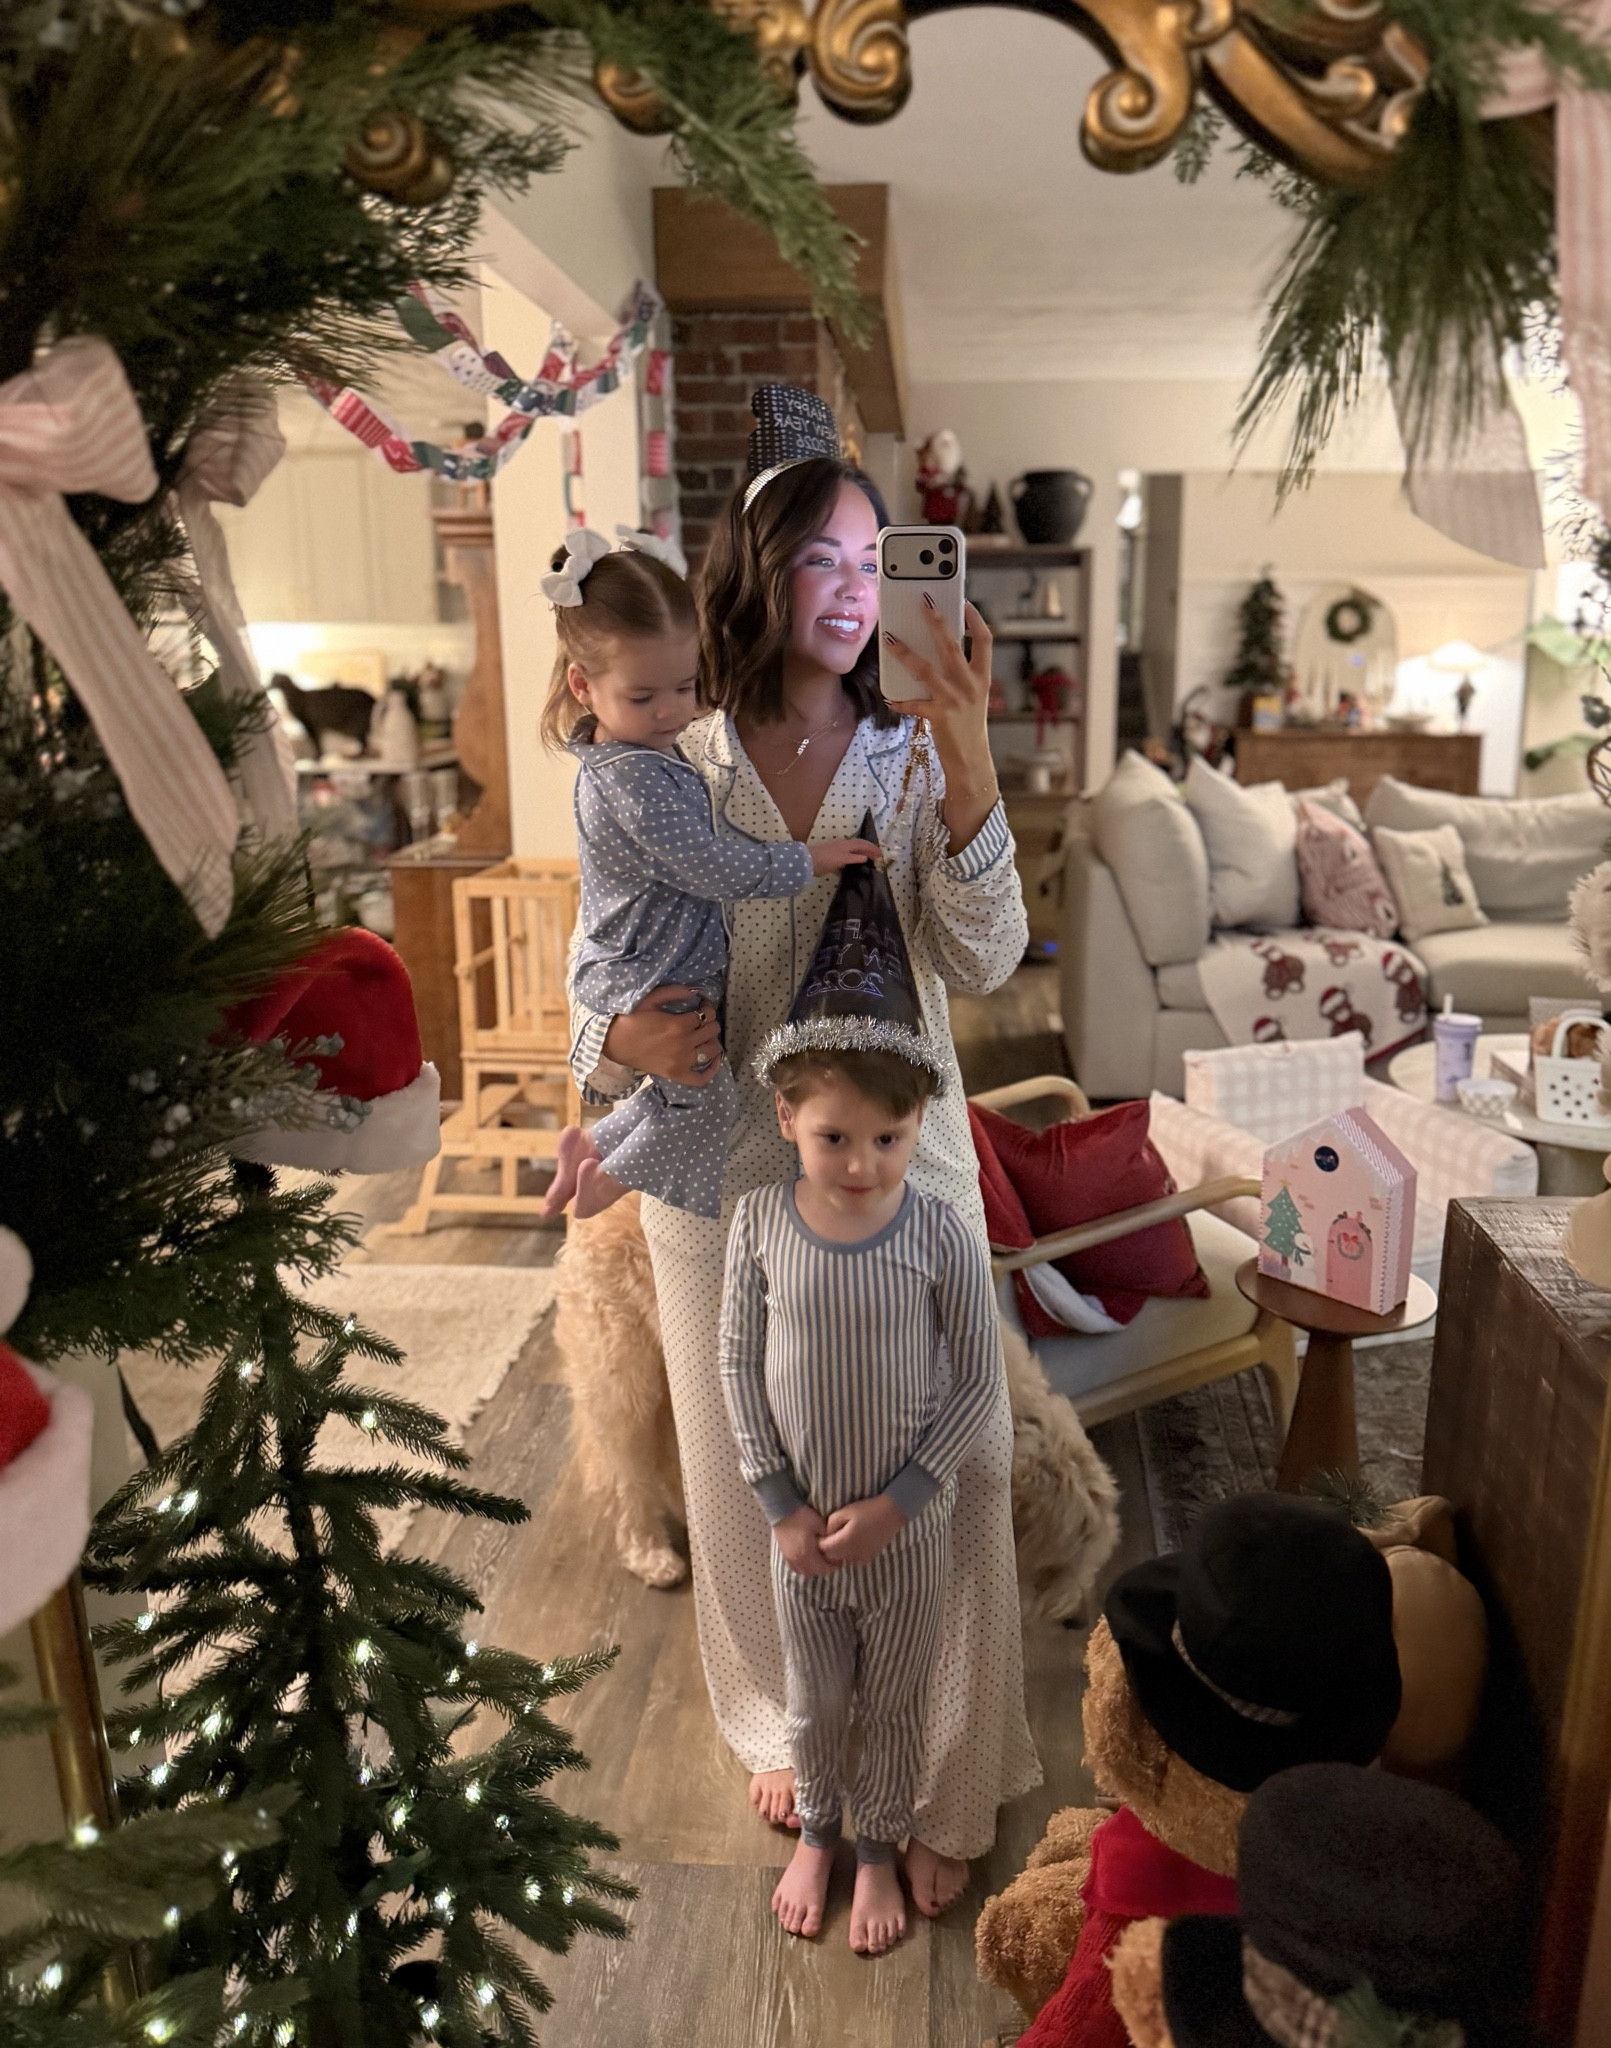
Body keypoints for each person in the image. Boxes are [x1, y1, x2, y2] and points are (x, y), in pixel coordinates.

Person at [568, 386, 1039, 1914]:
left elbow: (979, 956)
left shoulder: (909, 752)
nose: (850, 590)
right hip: (722, 1152)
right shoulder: (665, 750)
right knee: (739, 1457)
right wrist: (609, 1045)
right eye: (821, 559)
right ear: (757, 569)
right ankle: (787, 1720)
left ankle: (946, 1764)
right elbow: (597, 960)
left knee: (953, 1453)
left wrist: (967, 755)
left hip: (903, 1150)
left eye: (871, 561)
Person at [720, 827, 1008, 1954]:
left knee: (890, 1698)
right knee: (814, 1695)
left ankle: (879, 1846)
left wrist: (900, 1501)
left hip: (904, 1531)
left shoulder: (936, 1230)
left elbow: (977, 1377)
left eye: (888, 1136)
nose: (860, 1161)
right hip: (800, 1534)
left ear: (919, 1124)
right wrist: (781, 1501)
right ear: (787, 1112)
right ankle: (820, 1829)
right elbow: (738, 1367)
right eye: (835, 1133)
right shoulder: (758, 1224)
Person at [536, 525, 878, 1221]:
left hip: (652, 965)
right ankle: (604, 1181)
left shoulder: (626, 755)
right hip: (649, 972)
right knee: (706, 1102)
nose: (670, 713)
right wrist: (806, 858)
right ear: (583, 685)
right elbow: (714, 865)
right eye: (643, 697)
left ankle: (590, 1146)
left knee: (678, 1095)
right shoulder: (635, 780)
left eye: (685, 687)